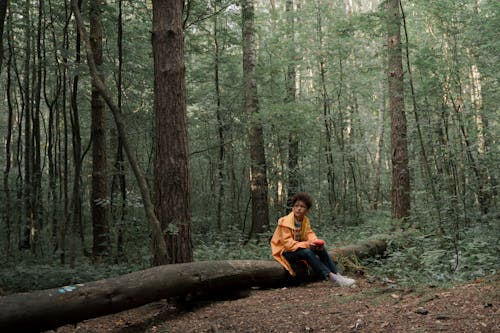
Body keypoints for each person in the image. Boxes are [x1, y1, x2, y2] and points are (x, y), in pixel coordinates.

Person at [270, 192, 355, 287]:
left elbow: (310, 234)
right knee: (307, 252)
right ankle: (331, 277)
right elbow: (288, 245)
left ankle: (338, 276)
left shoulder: (305, 221)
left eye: (302, 206)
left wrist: (316, 243)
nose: (298, 208)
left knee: (321, 249)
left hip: (297, 249)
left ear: (307, 210)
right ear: (293, 208)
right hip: (284, 252)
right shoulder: (284, 222)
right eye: (296, 206)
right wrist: (307, 244)